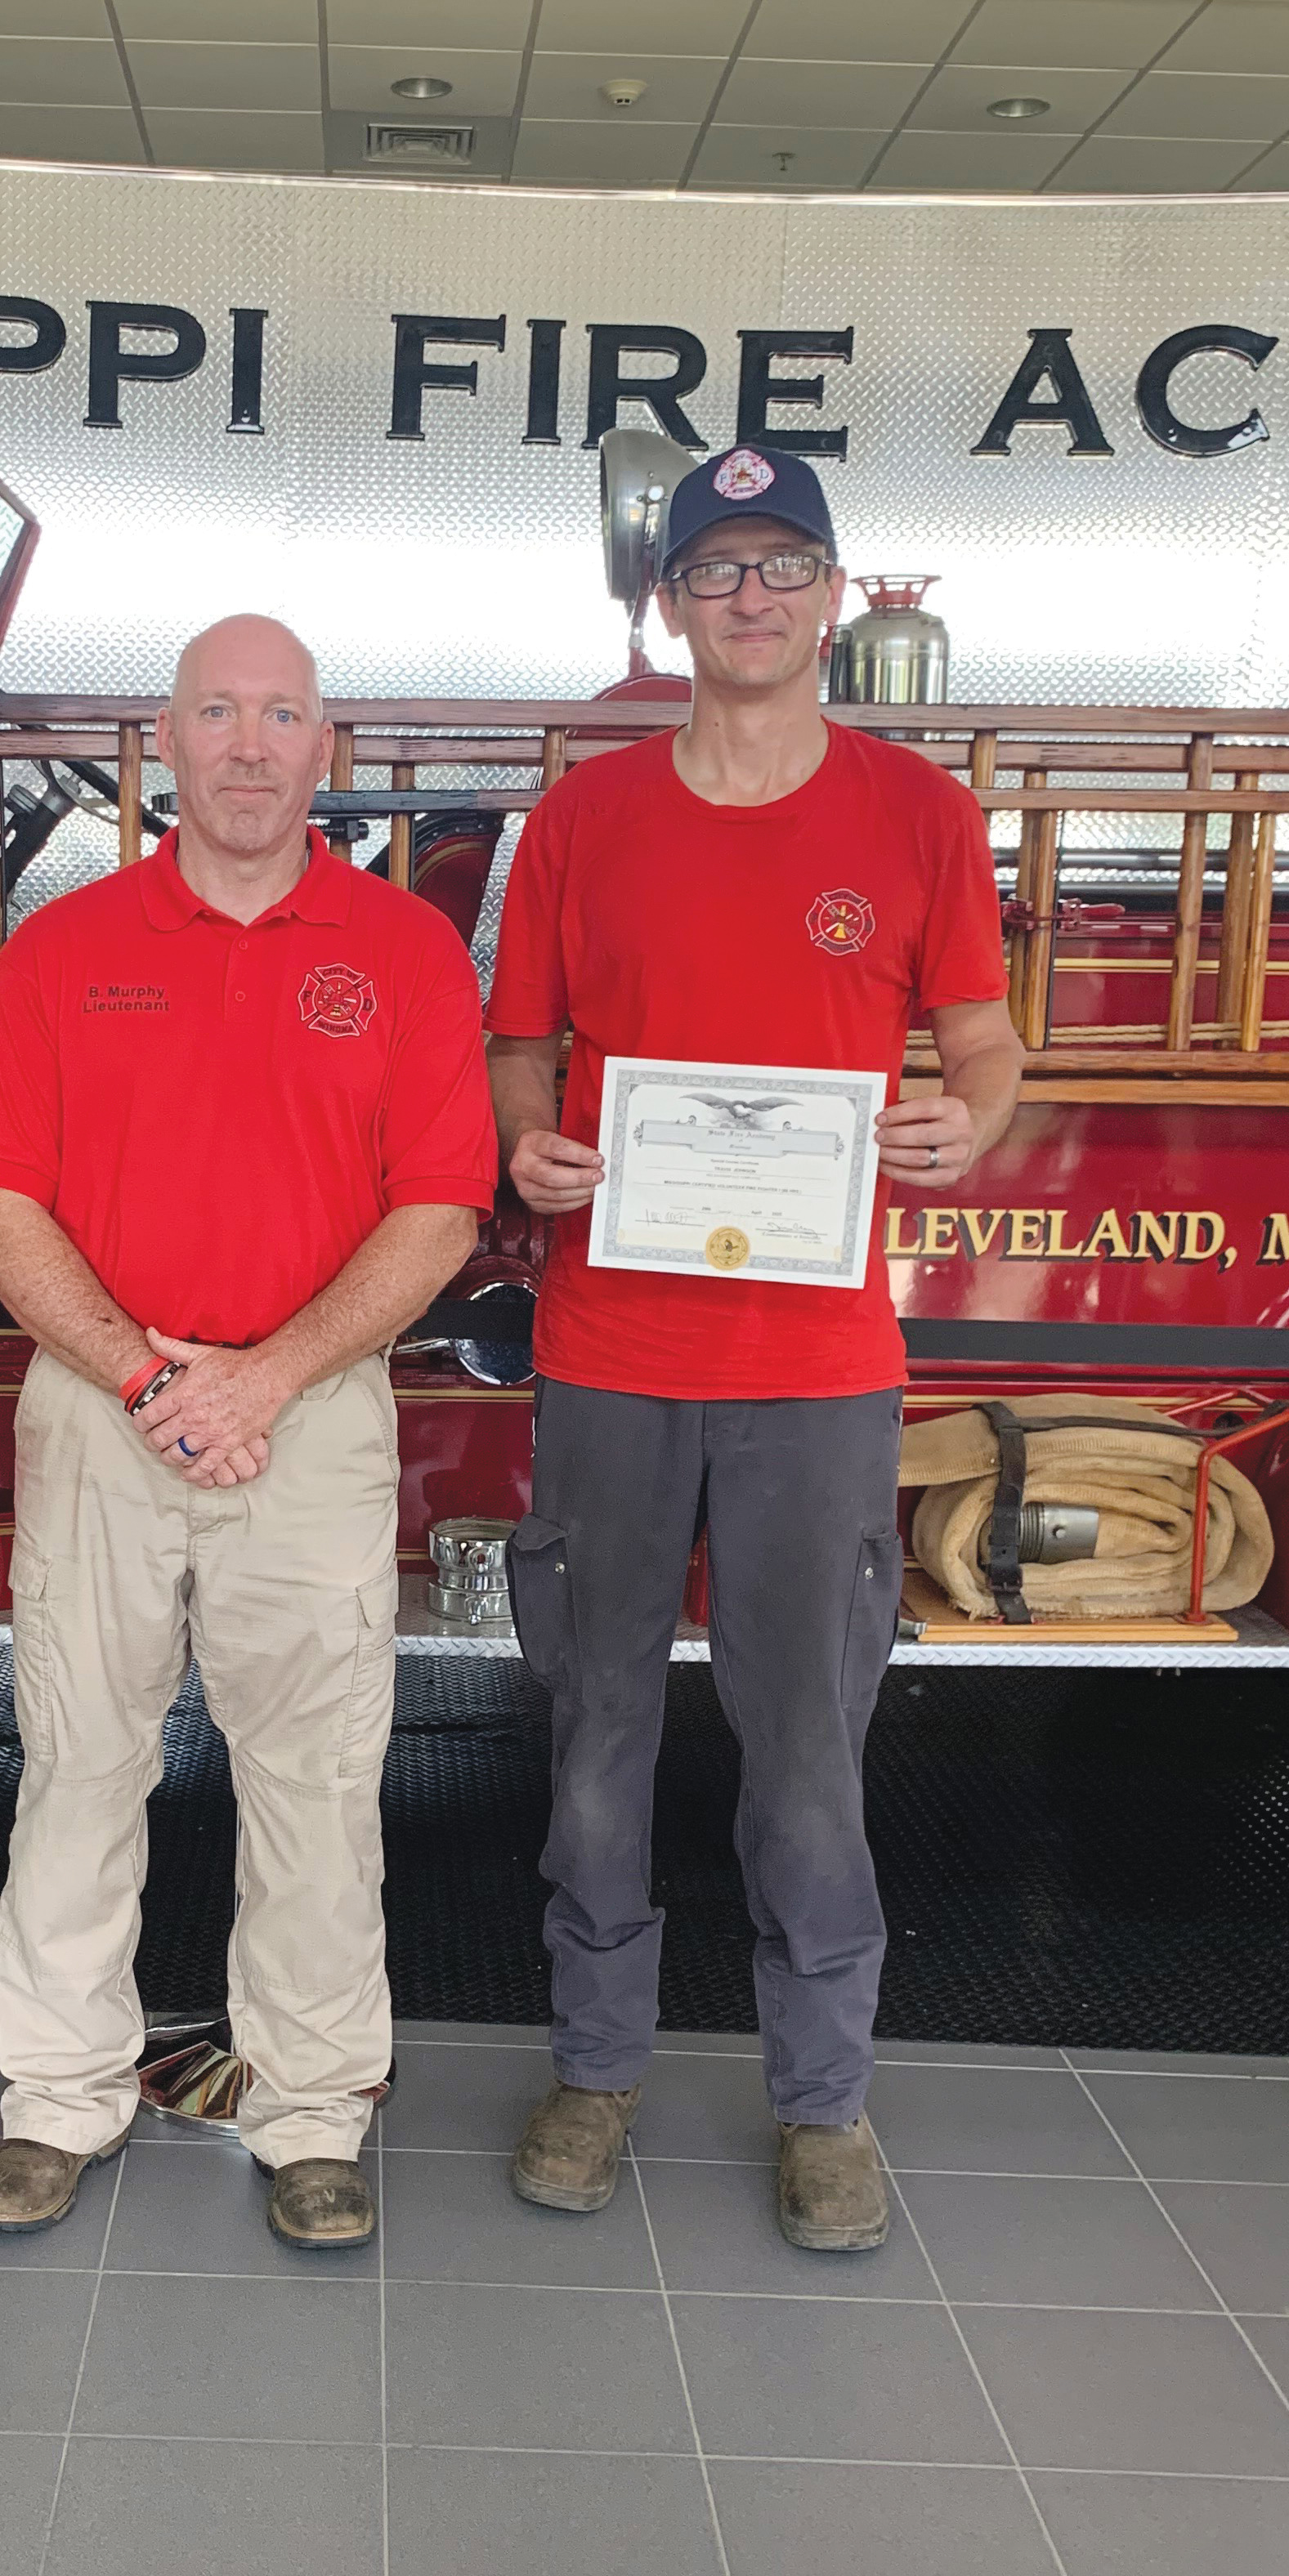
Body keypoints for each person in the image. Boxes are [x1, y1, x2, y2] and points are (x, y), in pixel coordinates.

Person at [486, 445, 1022, 2251]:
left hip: (815, 1368)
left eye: (786, 567)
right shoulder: (585, 819)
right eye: (717, 570)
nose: (753, 600)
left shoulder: (916, 815)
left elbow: (984, 1041)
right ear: (673, 607)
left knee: (809, 1746)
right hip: (611, 1346)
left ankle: (824, 2100)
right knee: (597, 1731)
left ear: (834, 598)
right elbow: (516, 1048)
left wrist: (966, 1119)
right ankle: (595, 2069)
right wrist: (528, 1143)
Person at [0, 615, 496, 2249]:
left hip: (308, 1418)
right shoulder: (62, 948)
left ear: (324, 747)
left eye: (281, 716)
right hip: (99, 1407)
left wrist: (262, 1379)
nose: (250, 746)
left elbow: (441, 1211)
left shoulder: (404, 952)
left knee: (318, 1781)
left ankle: (311, 2111)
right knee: (76, 1763)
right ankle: (57, 2100)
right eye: (218, 714)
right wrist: (145, 1379)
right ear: (166, 743)